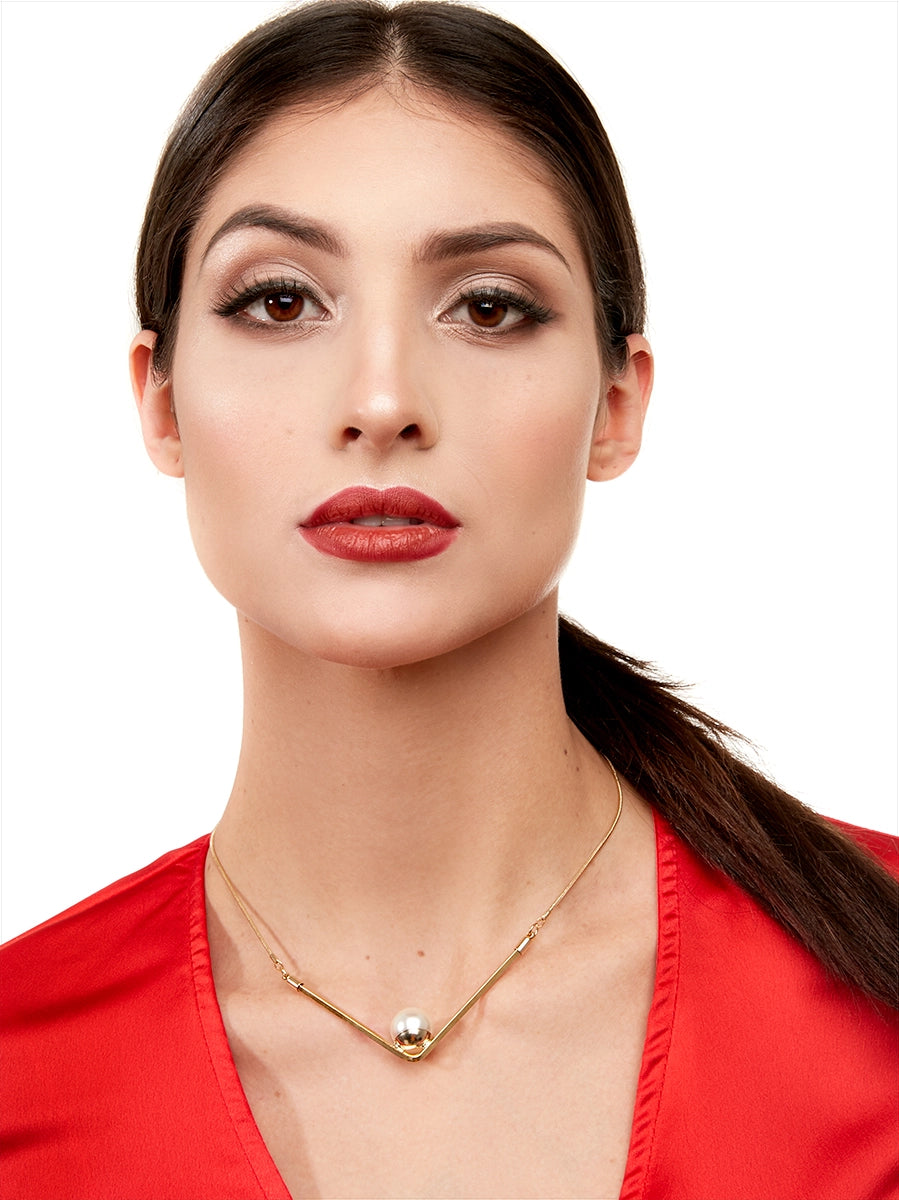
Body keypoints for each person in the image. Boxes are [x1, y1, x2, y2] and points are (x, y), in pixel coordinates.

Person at [1, 3, 896, 1198]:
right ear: (159, 401)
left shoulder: (873, 986)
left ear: (616, 405)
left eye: (486, 307)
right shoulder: (21, 1074)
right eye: (279, 301)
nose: (381, 401)